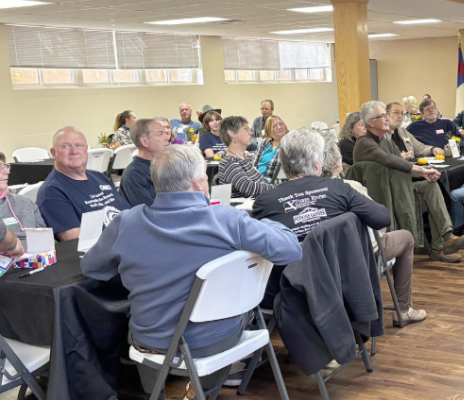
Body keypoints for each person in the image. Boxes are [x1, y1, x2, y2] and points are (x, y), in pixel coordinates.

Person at [81, 144, 301, 400]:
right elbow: (291, 250)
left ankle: (157, 390)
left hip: (152, 342)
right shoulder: (227, 219)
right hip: (218, 339)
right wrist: (270, 223)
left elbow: (91, 268)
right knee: (247, 312)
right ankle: (207, 385)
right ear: (198, 182)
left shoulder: (126, 222)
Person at [253, 128, 426, 325]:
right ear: (317, 163)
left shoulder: (264, 201)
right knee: (404, 237)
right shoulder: (338, 188)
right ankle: (403, 309)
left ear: (283, 163)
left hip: (293, 285)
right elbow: (382, 219)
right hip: (343, 280)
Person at [320, 132, 426, 325]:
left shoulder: (305, 193)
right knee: (406, 237)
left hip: (323, 260)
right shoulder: (351, 188)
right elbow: (380, 225)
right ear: (337, 162)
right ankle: (404, 310)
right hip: (359, 256)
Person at [354, 100, 464, 263]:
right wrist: (421, 170)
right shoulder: (364, 143)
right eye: (383, 115)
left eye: (387, 115)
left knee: (431, 185)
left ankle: (446, 237)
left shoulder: (386, 140)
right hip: (383, 198)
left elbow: (401, 165)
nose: (387, 118)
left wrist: (425, 173)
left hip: (397, 189)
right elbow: (390, 160)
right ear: (371, 122)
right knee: (430, 195)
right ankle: (440, 245)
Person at [37, 127, 130, 241]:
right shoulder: (52, 192)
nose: (74, 151)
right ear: (53, 153)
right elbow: (76, 241)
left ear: (86, 150)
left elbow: (128, 213)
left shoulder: (99, 177)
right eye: (65, 146)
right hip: (109, 249)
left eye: (79, 145)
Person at [218, 116, 277, 198]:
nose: (251, 133)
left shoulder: (243, 158)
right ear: (232, 134)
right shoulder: (229, 162)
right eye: (246, 129)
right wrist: (280, 188)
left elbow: (261, 182)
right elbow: (249, 188)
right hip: (246, 205)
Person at [119, 119, 170, 207]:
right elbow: (150, 211)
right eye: (160, 134)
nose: (167, 138)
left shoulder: (166, 165)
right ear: (145, 142)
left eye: (165, 133)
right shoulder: (134, 175)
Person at [0, 152, 46, 248]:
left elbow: (45, 240)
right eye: (0, 167)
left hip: (37, 255)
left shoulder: (24, 202)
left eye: (6, 166)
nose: (7, 172)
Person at [254, 115, 287, 182]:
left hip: (273, 183)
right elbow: (254, 164)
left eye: (281, 124)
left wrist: (264, 181)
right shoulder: (264, 143)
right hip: (256, 180)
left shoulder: (289, 146)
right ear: (269, 130)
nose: (279, 127)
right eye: (274, 126)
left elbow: (287, 178)